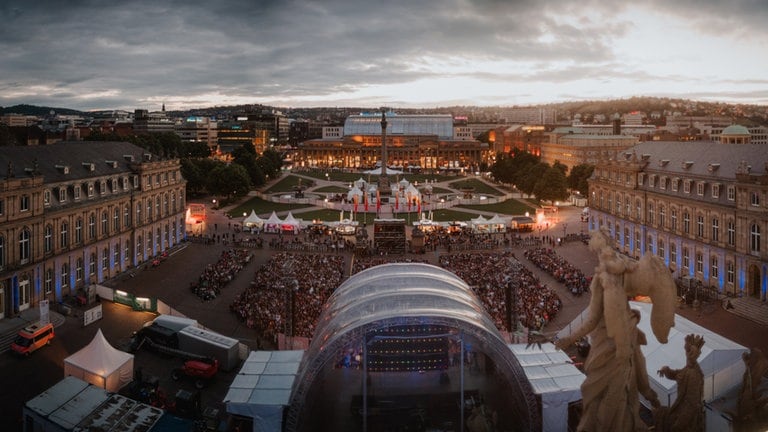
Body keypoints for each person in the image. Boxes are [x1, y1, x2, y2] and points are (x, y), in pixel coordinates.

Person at [556, 226, 666, 431]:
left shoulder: (603, 279)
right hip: (625, 336)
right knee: (627, 392)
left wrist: (567, 339)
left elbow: (591, 320)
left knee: (600, 397)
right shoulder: (624, 269)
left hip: (609, 343)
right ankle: (645, 402)